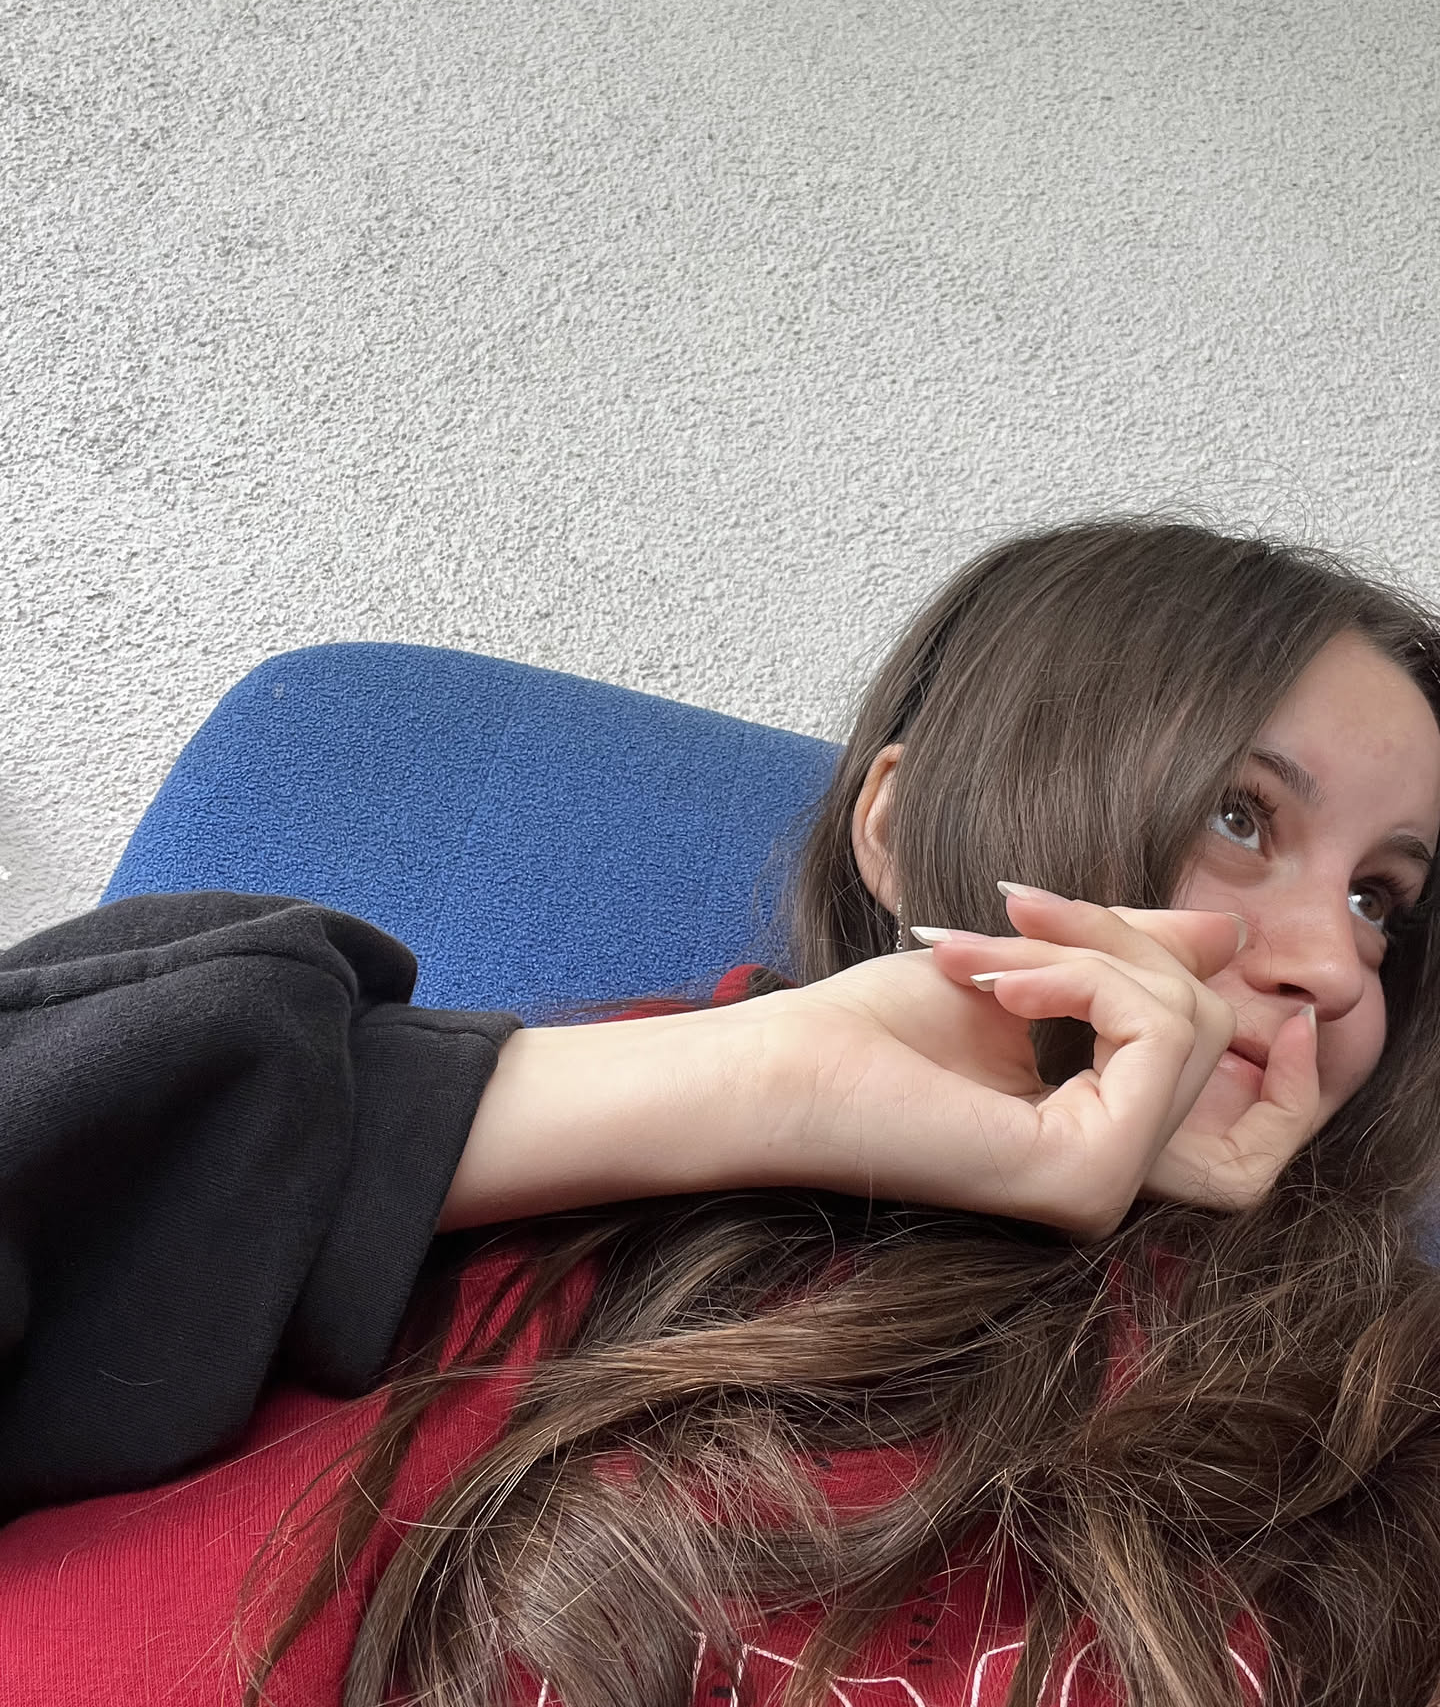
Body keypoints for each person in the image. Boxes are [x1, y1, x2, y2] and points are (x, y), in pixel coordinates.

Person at [2, 516, 1440, 1707]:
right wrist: (751, 1088)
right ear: (900, 824)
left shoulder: (1379, 1420)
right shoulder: (528, 1145)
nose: (1334, 964)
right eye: (1242, 816)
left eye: (1382, 900)